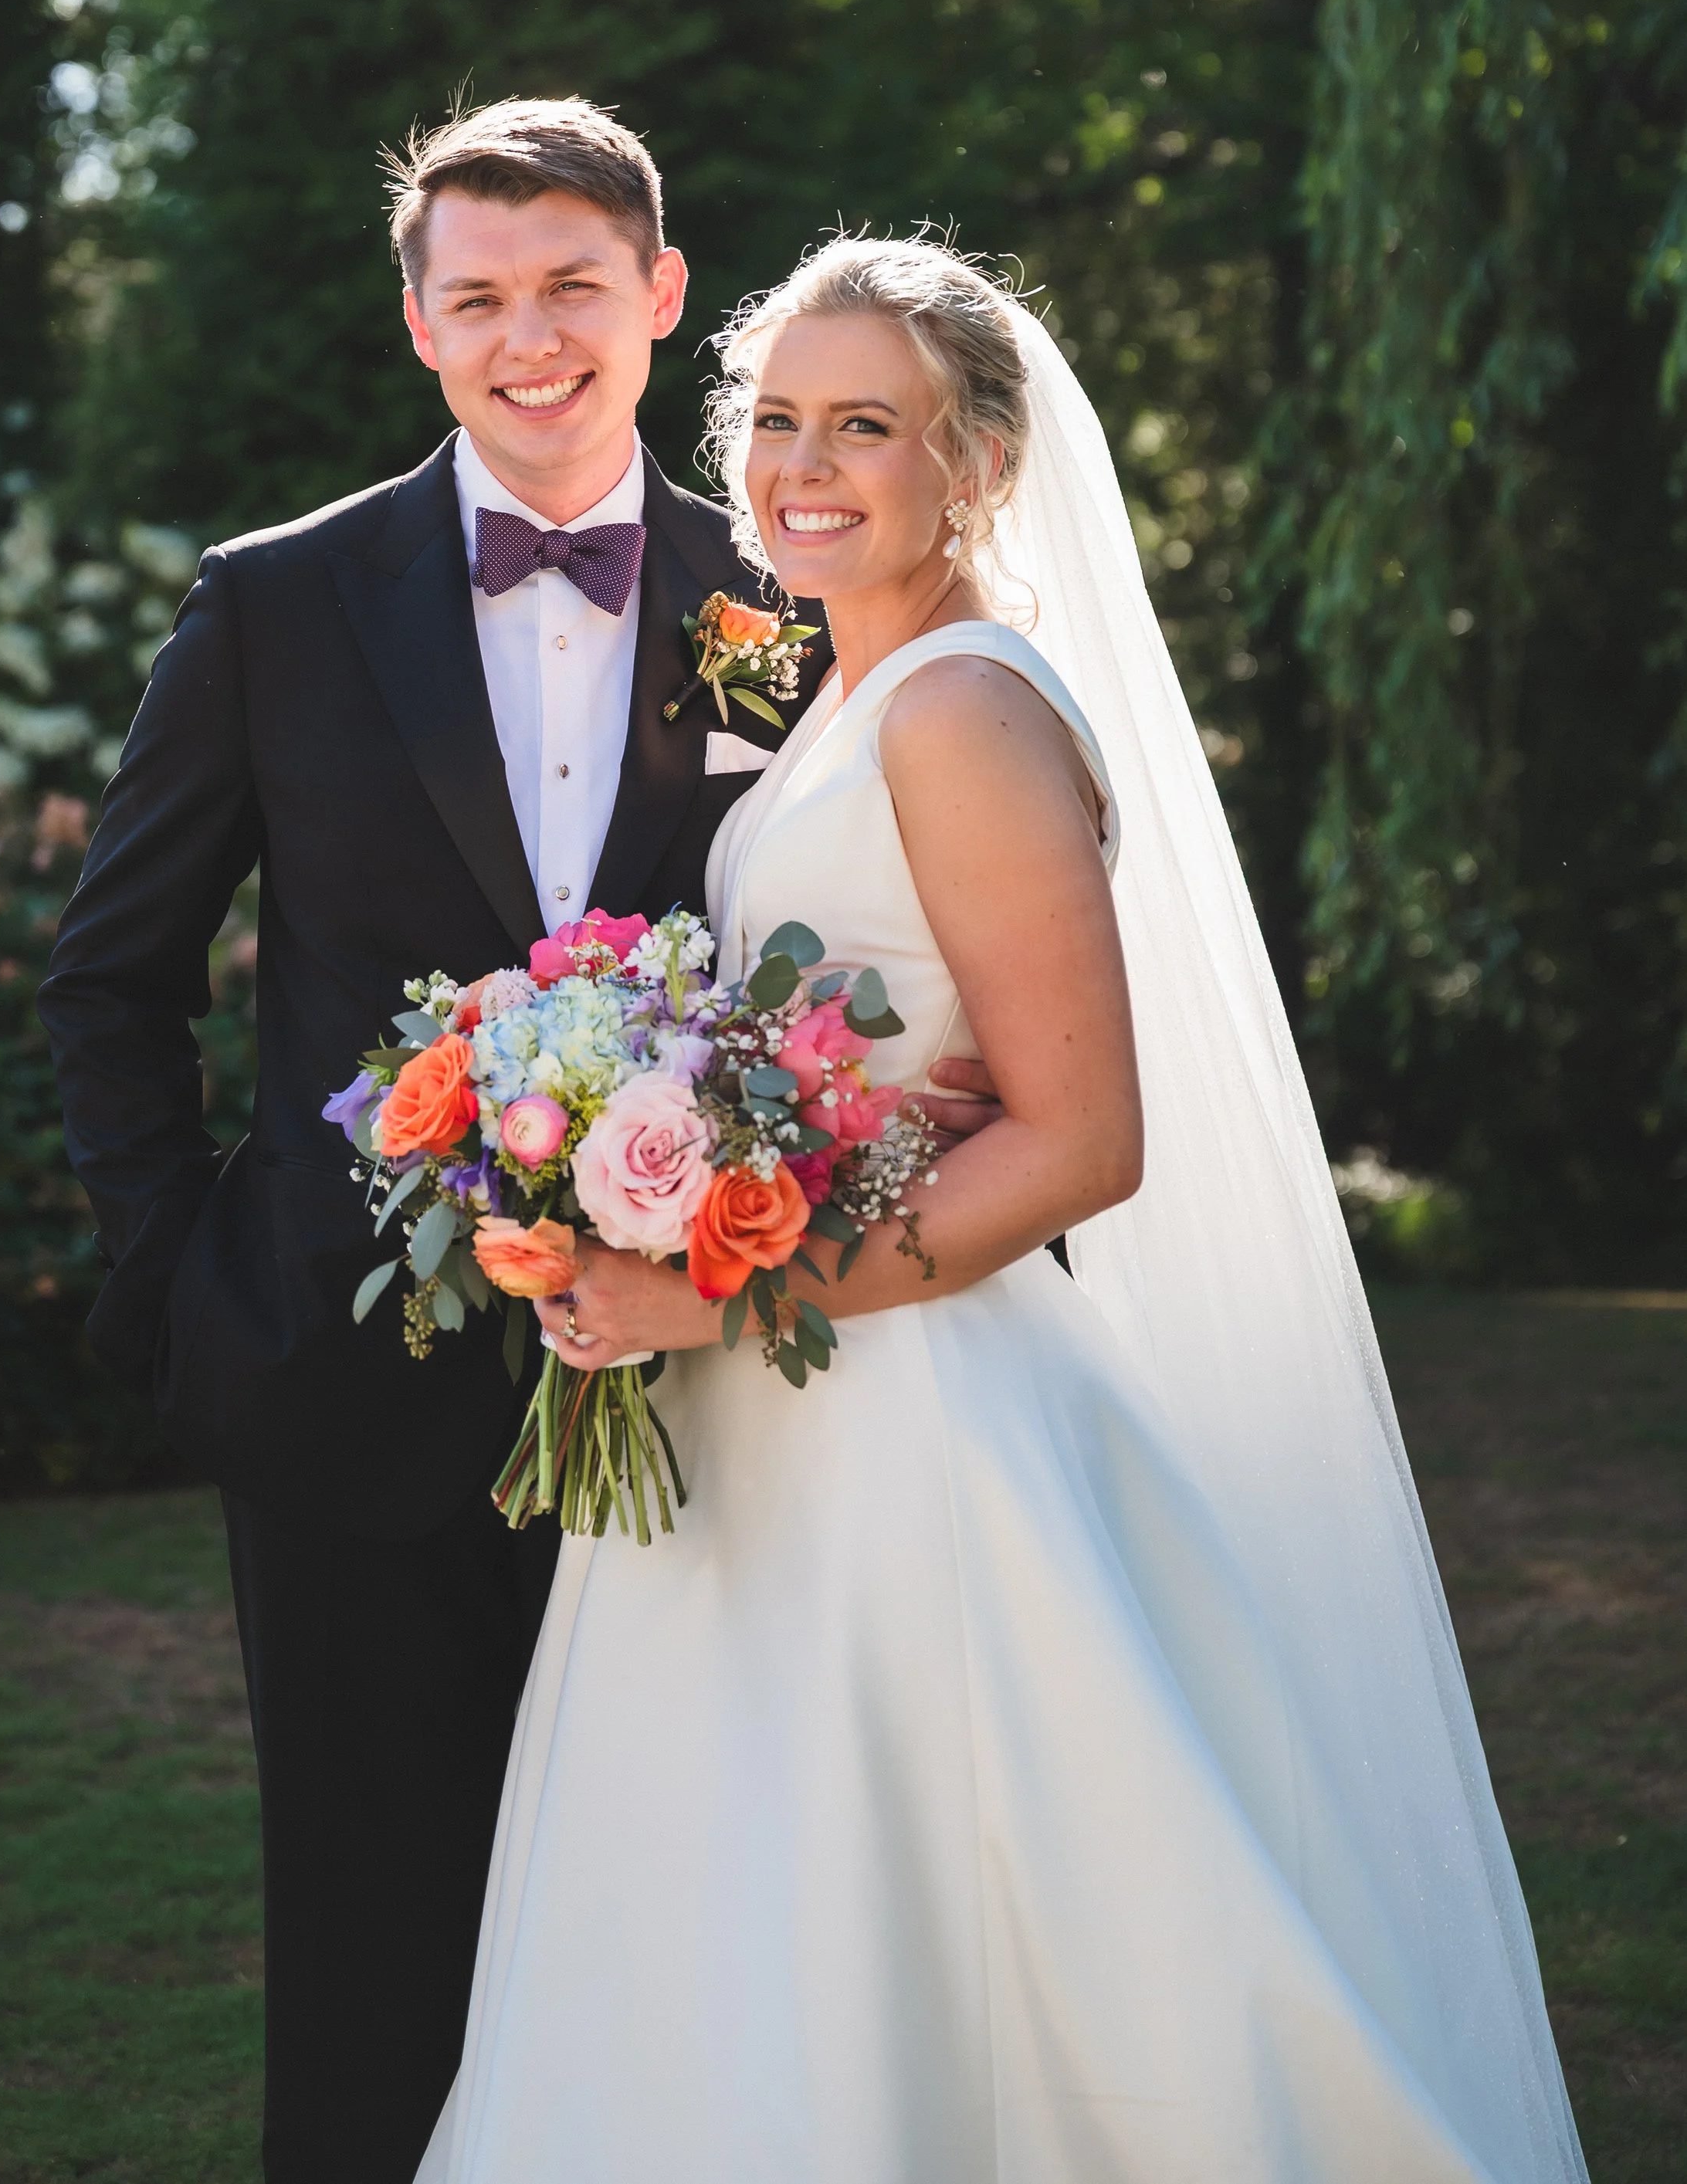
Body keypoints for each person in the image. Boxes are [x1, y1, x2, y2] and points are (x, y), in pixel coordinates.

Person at [417, 239, 1587, 2184]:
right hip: (793, 1406)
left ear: (973, 462)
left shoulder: (955, 712)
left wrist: (719, 1294)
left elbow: (1079, 1140)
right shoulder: (855, 688)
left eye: (862, 426)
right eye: (776, 419)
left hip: (906, 1426)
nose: (801, 466)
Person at [37, 101, 1004, 2182]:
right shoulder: (278, 604)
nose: (528, 336)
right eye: (477, 297)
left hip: (715, 1388)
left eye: (573, 283)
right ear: (419, 326)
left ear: (660, 296)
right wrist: (176, 1287)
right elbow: (110, 976)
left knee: (681, 1945)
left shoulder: (783, 591)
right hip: (342, 1379)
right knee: (372, 1956)